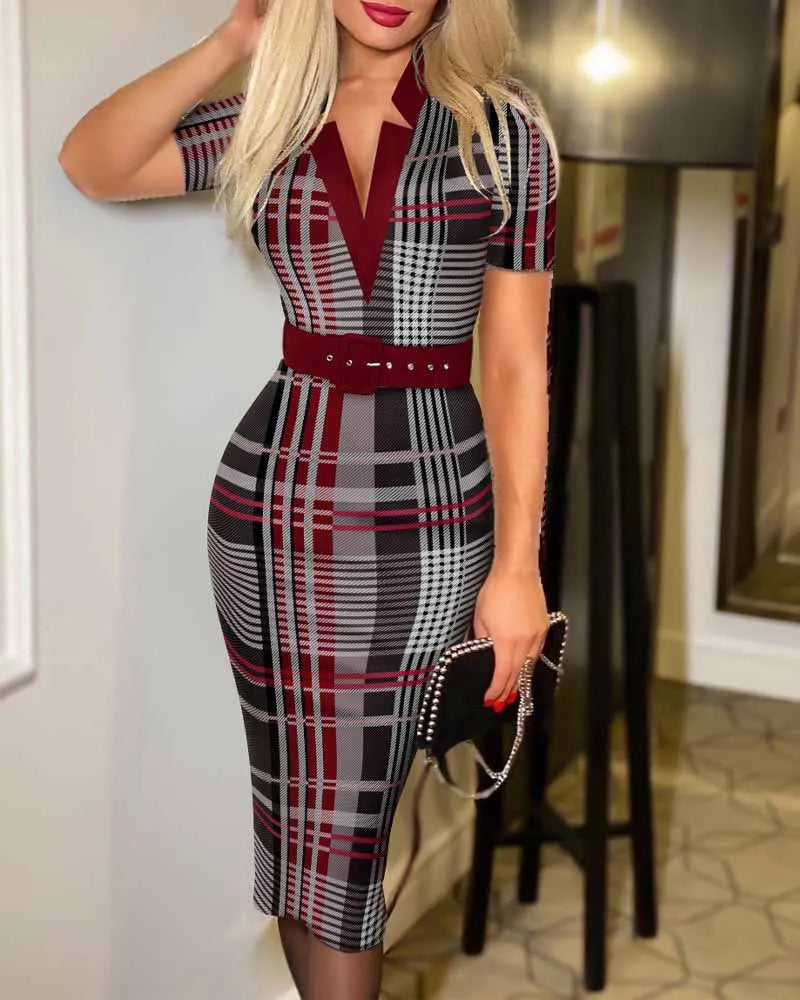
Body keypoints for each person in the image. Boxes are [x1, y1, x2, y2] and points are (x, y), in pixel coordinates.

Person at [58, 1, 559, 997]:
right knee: (300, 820)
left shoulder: (505, 133)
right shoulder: (274, 114)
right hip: (275, 506)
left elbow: (514, 367)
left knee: (348, 832)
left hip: (428, 513)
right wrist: (236, 41)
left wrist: (517, 567)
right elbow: (95, 162)